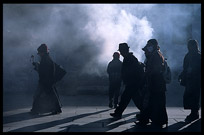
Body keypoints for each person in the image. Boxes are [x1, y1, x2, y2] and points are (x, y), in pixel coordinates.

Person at [136, 39, 168, 128]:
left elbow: (156, 70)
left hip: (156, 82)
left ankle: (156, 120)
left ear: (153, 45)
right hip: (155, 83)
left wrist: (148, 72)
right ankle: (154, 120)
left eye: (149, 45)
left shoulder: (156, 55)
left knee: (155, 102)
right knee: (154, 102)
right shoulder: (155, 54)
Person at [110, 43, 144, 119]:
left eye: (121, 51)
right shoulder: (129, 58)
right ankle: (118, 113)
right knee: (127, 99)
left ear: (125, 50)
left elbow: (131, 71)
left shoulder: (129, 58)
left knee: (128, 99)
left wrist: (125, 77)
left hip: (133, 83)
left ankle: (146, 113)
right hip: (132, 82)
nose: (121, 53)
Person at [30, 44, 62, 115]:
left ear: (43, 52)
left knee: (39, 95)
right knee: (49, 95)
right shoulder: (46, 58)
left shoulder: (45, 59)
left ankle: (35, 110)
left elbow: (43, 70)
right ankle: (56, 109)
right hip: (47, 81)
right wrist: (37, 65)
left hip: (45, 81)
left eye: (40, 53)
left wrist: (37, 66)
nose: (39, 54)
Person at [178, 39, 201, 122]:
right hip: (189, 80)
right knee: (189, 96)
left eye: (190, 45)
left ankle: (194, 113)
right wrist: (182, 75)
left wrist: (193, 70)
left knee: (194, 97)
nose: (188, 47)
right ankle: (193, 112)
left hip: (196, 80)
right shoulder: (188, 55)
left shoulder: (198, 56)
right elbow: (185, 67)